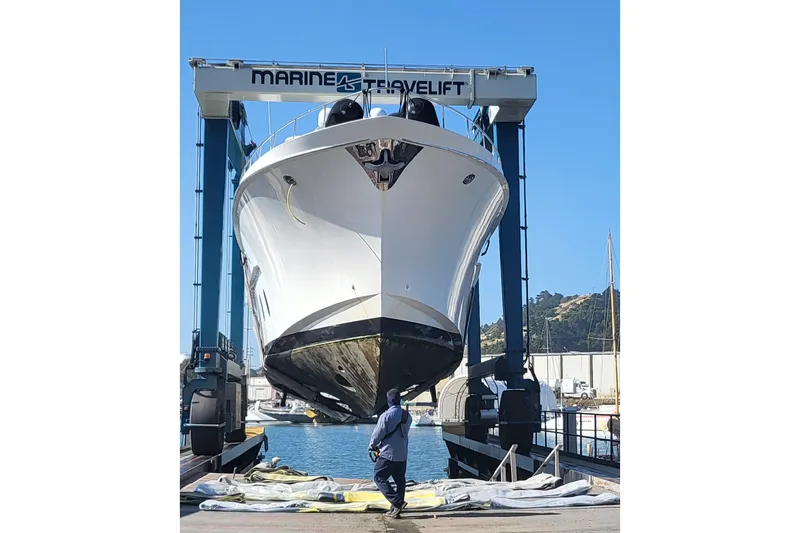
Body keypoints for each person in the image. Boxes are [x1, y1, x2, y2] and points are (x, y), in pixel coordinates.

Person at [368, 388, 412, 518]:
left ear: (389, 401)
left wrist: (371, 446)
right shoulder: (407, 416)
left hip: (388, 453)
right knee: (400, 481)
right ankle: (395, 510)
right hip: (402, 454)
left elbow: (377, 434)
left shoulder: (386, 416)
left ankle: (397, 502)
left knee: (379, 477)